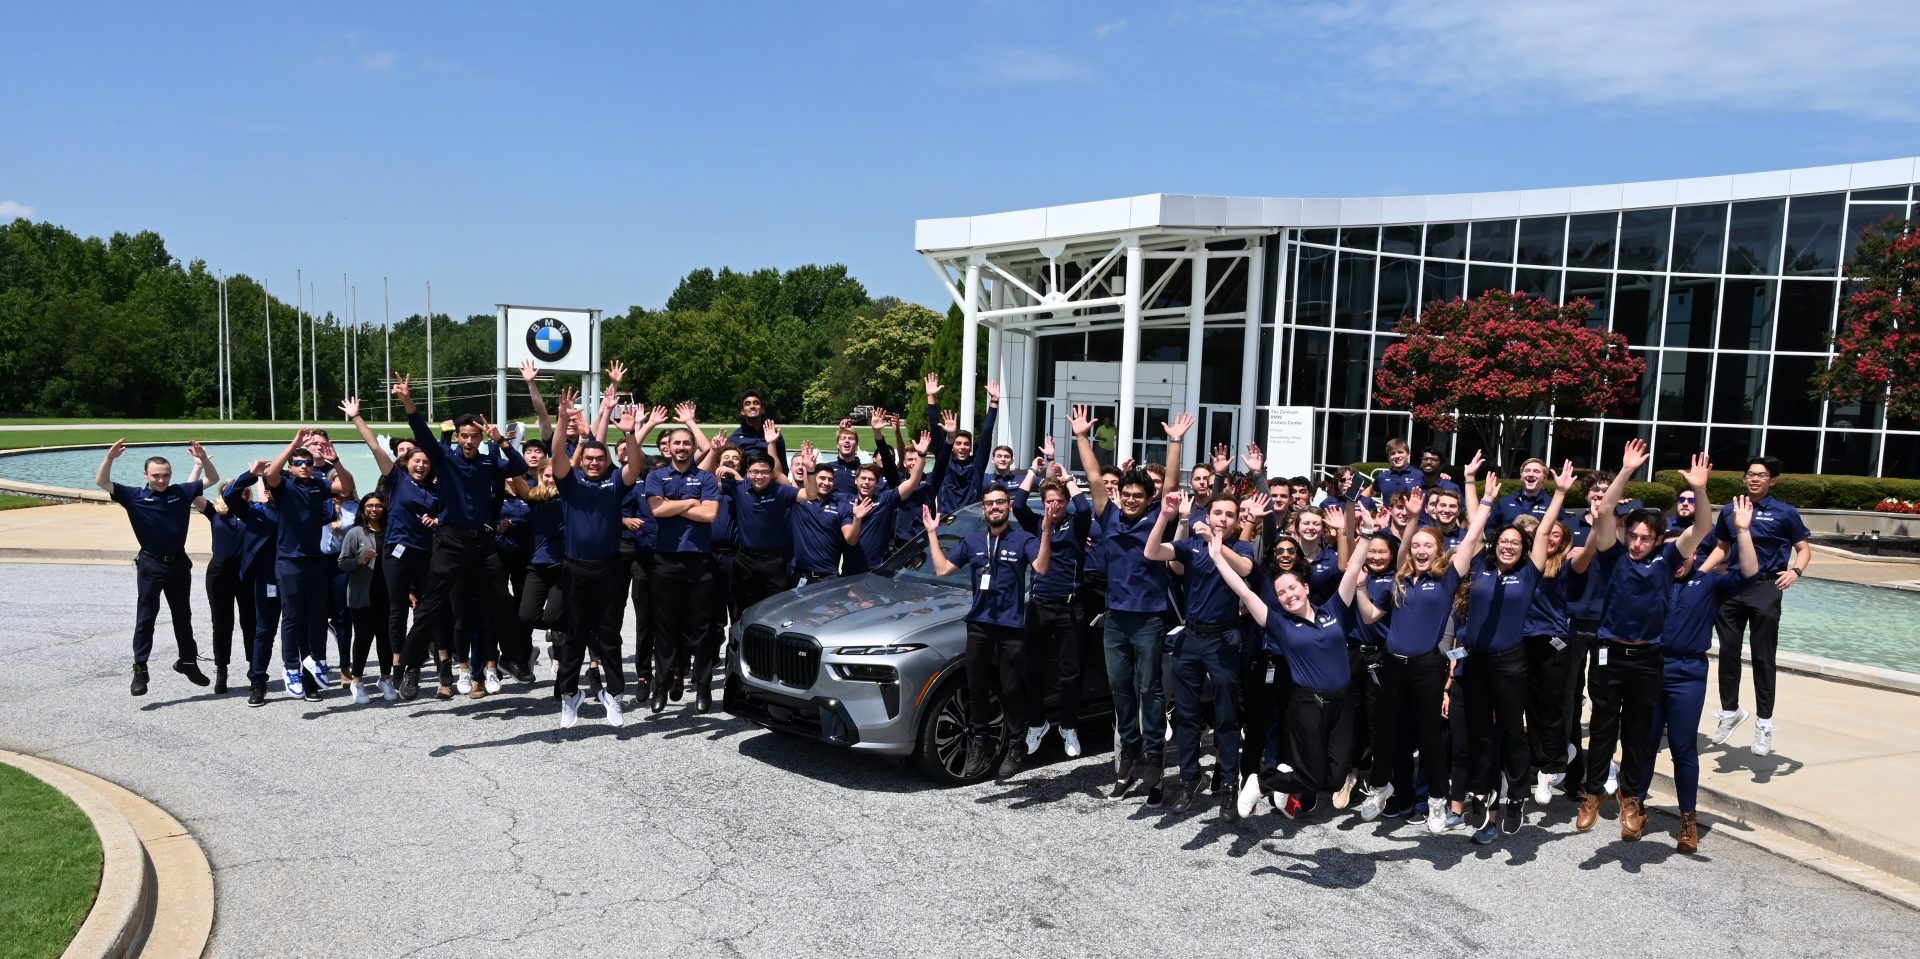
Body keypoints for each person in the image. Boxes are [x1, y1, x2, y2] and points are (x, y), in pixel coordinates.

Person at [1572, 444, 1713, 841]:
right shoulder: (1611, 554)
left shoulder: (1668, 560)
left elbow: (1701, 528)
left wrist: (1700, 491)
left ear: (1657, 540)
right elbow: (1604, 513)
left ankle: (1631, 800)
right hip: (1608, 652)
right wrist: (1625, 470)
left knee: (1637, 732)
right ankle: (1592, 794)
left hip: (1648, 657)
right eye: (1632, 535)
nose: (1636, 543)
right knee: (1602, 727)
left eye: (1644, 538)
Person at [1071, 404, 1188, 803]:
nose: (1132, 499)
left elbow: (1171, 485)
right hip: (1116, 619)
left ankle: (1154, 761)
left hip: (1150, 621)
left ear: (1149, 498)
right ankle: (1130, 755)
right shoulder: (1110, 516)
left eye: (1140, 495)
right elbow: (1091, 477)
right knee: (1120, 689)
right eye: (1128, 494)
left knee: (1150, 690)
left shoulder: (1159, 519)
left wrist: (1174, 442)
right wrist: (1082, 436)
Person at [1222, 517, 1372, 820]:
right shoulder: (1280, 624)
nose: (1288, 595)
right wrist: (1216, 556)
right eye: (1281, 593)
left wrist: (1366, 533)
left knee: (1333, 778)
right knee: (1314, 778)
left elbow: (1353, 569)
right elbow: (1247, 593)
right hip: (1308, 704)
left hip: (1342, 703)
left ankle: (1279, 781)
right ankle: (1262, 783)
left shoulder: (1333, 610)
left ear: (1305, 588)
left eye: (1293, 588)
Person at [1454, 461, 1573, 842]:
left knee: (1511, 732)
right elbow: (1474, 528)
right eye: (1504, 541)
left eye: (1515, 543)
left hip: (1509, 664)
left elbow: (1541, 535)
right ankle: (1484, 796)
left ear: (1524, 550)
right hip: (1475, 663)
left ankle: (1517, 797)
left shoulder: (1528, 573)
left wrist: (1560, 493)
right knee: (1479, 733)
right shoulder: (1481, 566)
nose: (1508, 545)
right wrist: (1476, 489)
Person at [391, 373, 527, 701]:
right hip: (450, 541)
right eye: (464, 436)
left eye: (473, 436)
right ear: (459, 436)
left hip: (482, 543)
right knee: (432, 603)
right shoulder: (445, 460)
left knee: (502, 599)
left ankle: (514, 658)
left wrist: (501, 441)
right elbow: (420, 431)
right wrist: (408, 399)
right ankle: (409, 667)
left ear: (480, 438)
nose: (468, 441)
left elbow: (519, 465)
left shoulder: (487, 463)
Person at [1643, 494, 1761, 853]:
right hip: (1648, 668)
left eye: (1686, 553)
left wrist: (1742, 531)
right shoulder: (1651, 580)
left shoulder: (1708, 583)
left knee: (1682, 748)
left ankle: (1687, 819)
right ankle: (1635, 808)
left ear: (1696, 554)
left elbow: (1751, 572)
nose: (1679, 559)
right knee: (1644, 744)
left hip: (1687, 672)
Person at [920, 485, 1053, 779]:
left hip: (1010, 627)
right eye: (990, 503)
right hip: (979, 623)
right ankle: (982, 740)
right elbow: (942, 569)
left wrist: (1045, 531)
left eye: (1000, 503)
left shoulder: (1023, 539)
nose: (995, 507)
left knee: (1009, 687)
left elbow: (1042, 567)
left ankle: (1018, 744)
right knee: (976, 685)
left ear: (1008, 507)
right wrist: (932, 532)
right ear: (984, 509)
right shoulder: (973, 542)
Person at [1145, 488, 1257, 819]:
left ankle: (1227, 788)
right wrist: (1166, 516)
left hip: (1224, 639)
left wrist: (1215, 542)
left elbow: (1246, 570)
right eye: (1217, 513)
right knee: (1187, 715)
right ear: (1207, 515)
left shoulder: (1240, 547)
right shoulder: (1191, 546)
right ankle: (1190, 780)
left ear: (1237, 522)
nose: (1222, 519)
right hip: (1191, 638)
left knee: (1226, 717)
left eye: (1229, 515)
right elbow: (1153, 552)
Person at [551, 391, 648, 726]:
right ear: (582, 460)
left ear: (606, 462)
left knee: (609, 635)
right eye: (589, 458)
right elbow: (557, 457)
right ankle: (569, 696)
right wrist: (564, 420)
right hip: (575, 568)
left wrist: (630, 432)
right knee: (574, 634)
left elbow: (635, 466)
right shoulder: (570, 481)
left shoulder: (614, 482)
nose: (593, 462)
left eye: (599, 459)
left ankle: (614, 695)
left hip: (609, 568)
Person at [97, 439, 219, 695]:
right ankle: (140, 669)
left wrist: (203, 460)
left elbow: (212, 478)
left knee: (183, 617)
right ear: (146, 475)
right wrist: (109, 459)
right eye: (156, 476)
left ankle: (188, 662)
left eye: (165, 475)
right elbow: (103, 482)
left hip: (178, 564)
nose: (161, 480)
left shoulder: (180, 493)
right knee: (146, 618)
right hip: (151, 564)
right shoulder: (134, 496)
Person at [1709, 455, 1813, 757]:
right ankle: (1730, 712)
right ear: (1744, 479)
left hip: (1766, 587)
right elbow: (1722, 547)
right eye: (1751, 474)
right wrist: (1703, 573)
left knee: (1762, 657)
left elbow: (1803, 549)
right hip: (1733, 586)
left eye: (1762, 475)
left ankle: (1764, 723)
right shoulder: (1729, 511)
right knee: (1727, 650)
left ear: (1772, 480)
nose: (1755, 479)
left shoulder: (1785, 512)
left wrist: (1796, 571)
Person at [264, 428, 356, 702]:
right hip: (288, 560)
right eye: (298, 463)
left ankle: (317, 660)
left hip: (314, 560)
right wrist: (294, 444)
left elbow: (347, 487)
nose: (304, 466)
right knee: (292, 615)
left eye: (306, 462)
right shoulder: (283, 487)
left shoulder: (318, 485)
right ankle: (291, 666)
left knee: (317, 615)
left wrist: (336, 461)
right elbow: (270, 474)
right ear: (291, 467)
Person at [1010, 465, 1092, 758]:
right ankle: (1037, 723)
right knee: (1034, 670)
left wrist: (1067, 477)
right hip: (1040, 605)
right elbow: (1018, 504)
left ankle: (1068, 726)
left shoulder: (1076, 522)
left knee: (1070, 673)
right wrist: (1033, 469)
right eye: (1048, 501)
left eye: (1058, 501)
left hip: (1070, 606)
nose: (1053, 506)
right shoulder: (1036, 524)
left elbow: (1084, 508)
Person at [645, 415, 722, 713]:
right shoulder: (657, 475)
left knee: (701, 629)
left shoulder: (705, 478)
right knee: (665, 628)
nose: (681, 447)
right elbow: (657, 509)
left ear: (692, 447)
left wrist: (675, 507)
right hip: (666, 560)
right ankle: (661, 684)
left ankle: (703, 688)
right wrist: (692, 503)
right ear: (669, 447)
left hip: (699, 560)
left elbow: (710, 515)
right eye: (676, 442)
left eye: (686, 443)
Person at [222, 464, 282, 706]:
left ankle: (306, 678)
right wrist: (251, 475)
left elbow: (329, 508)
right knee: (264, 630)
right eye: (273, 489)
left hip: (298, 579)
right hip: (268, 580)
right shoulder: (257, 511)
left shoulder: (300, 511)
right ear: (266, 492)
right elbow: (229, 495)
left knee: (301, 630)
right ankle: (258, 681)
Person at [191, 463, 250, 694]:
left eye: (243, 492)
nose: (238, 495)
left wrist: (260, 475)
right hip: (220, 572)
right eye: (231, 491)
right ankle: (221, 669)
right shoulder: (214, 512)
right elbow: (191, 491)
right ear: (222, 494)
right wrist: (199, 465)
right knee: (222, 623)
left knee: (250, 622)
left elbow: (269, 496)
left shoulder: (253, 511)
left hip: (247, 572)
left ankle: (254, 667)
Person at [337, 492, 396, 703]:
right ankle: (358, 681)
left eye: (378, 505)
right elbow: (342, 562)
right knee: (363, 639)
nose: (374, 509)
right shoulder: (355, 533)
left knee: (386, 639)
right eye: (369, 505)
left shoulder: (391, 532)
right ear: (363, 509)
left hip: (387, 595)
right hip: (362, 596)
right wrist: (360, 560)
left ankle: (386, 679)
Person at [923, 373, 999, 514]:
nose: (963, 447)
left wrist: (994, 402)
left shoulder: (976, 464)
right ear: (952, 447)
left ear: (970, 447)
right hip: (946, 522)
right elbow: (935, 428)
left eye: (966, 444)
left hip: (972, 522)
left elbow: (987, 434)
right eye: (958, 443)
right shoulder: (945, 462)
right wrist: (931, 398)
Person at [727, 389, 788, 462]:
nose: (752, 406)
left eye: (756, 403)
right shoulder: (735, 438)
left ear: (762, 409)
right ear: (742, 411)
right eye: (747, 404)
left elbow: (783, 466)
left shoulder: (774, 435)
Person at [1494, 458, 1554, 526]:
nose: (1531, 474)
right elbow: (1489, 526)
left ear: (1545, 478)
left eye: (1536, 471)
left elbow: (1565, 529)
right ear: (1521, 477)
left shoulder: (1552, 505)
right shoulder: (1504, 502)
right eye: (1527, 471)